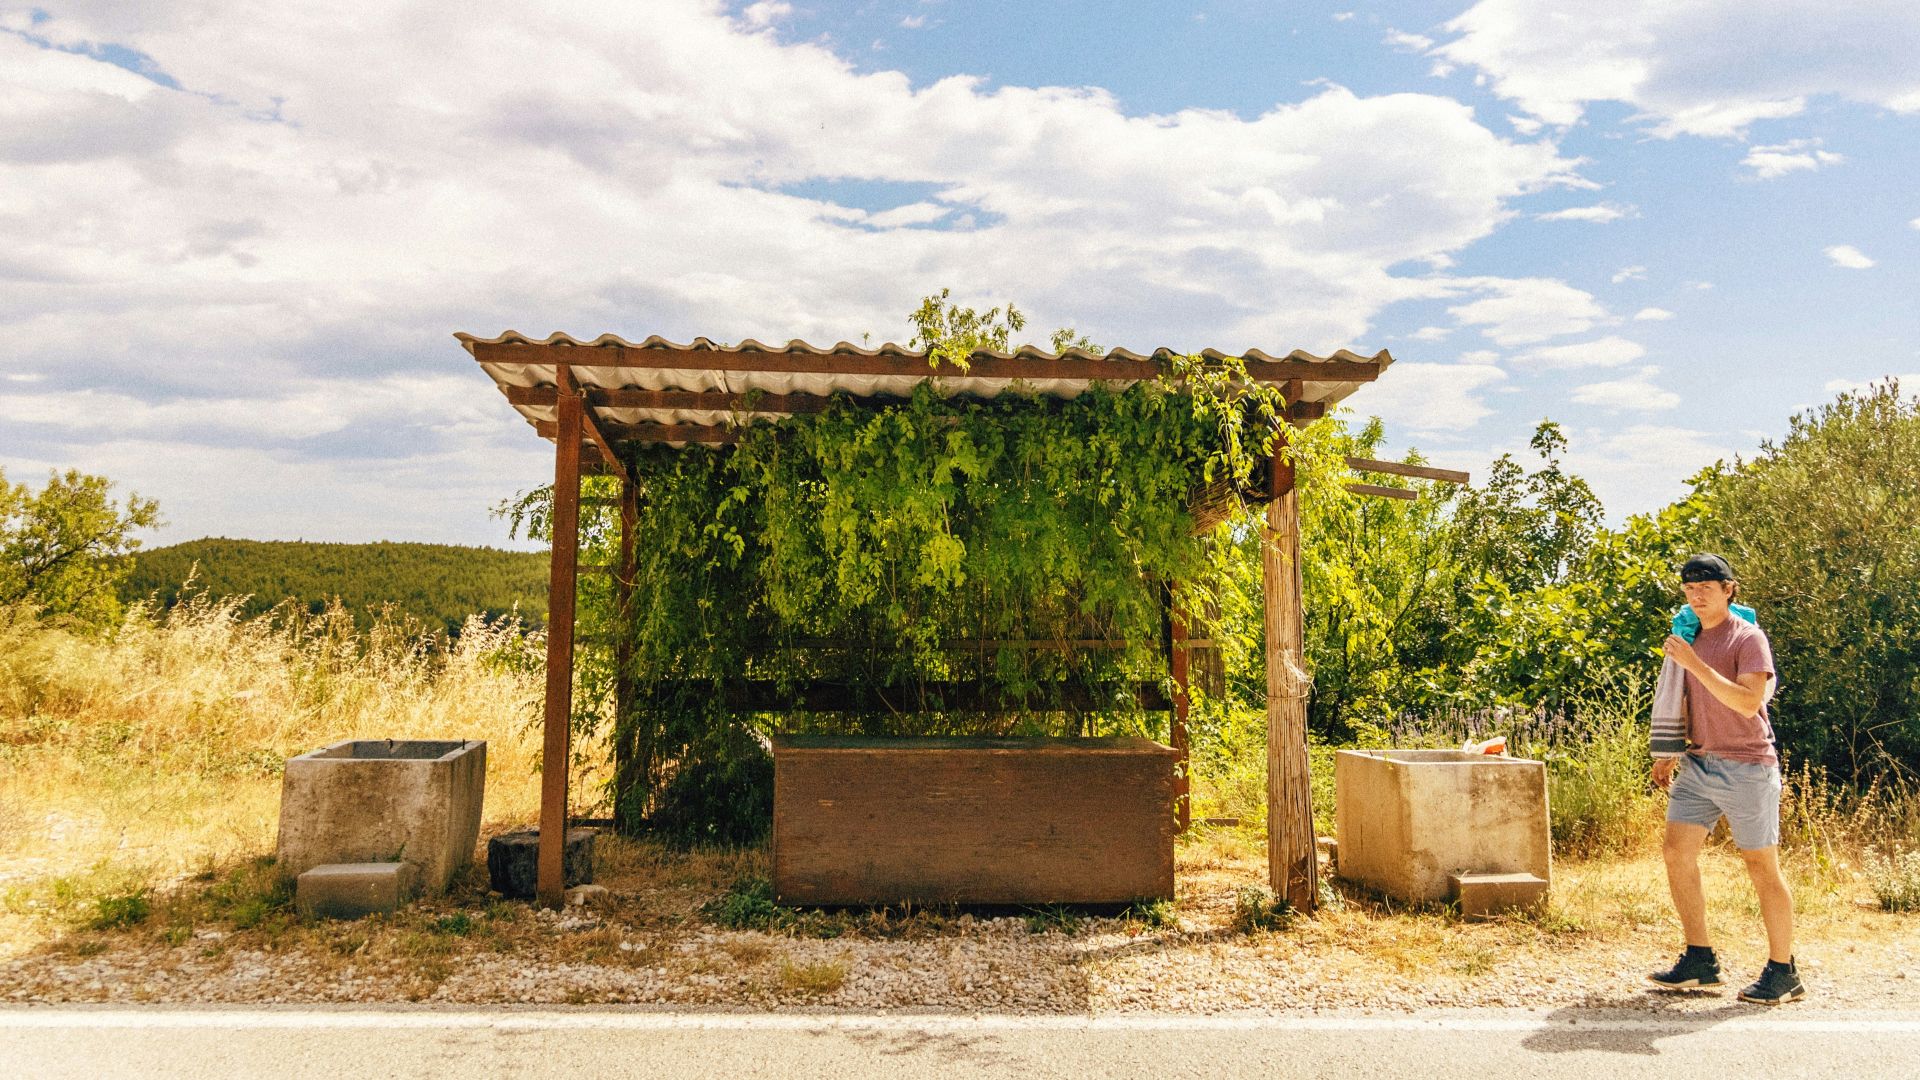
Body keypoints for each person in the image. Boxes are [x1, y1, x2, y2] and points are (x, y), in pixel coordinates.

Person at [1647, 553, 1805, 1005]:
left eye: (1707, 589)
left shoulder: (1748, 638)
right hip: (1698, 763)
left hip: (1748, 768)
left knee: (1761, 868)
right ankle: (1701, 960)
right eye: (1690, 589)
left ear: (1729, 589)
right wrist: (1669, 752)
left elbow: (1745, 701)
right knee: (1677, 854)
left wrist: (1694, 662)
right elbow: (1684, 698)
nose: (1697, 596)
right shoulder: (1689, 635)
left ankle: (1783, 970)